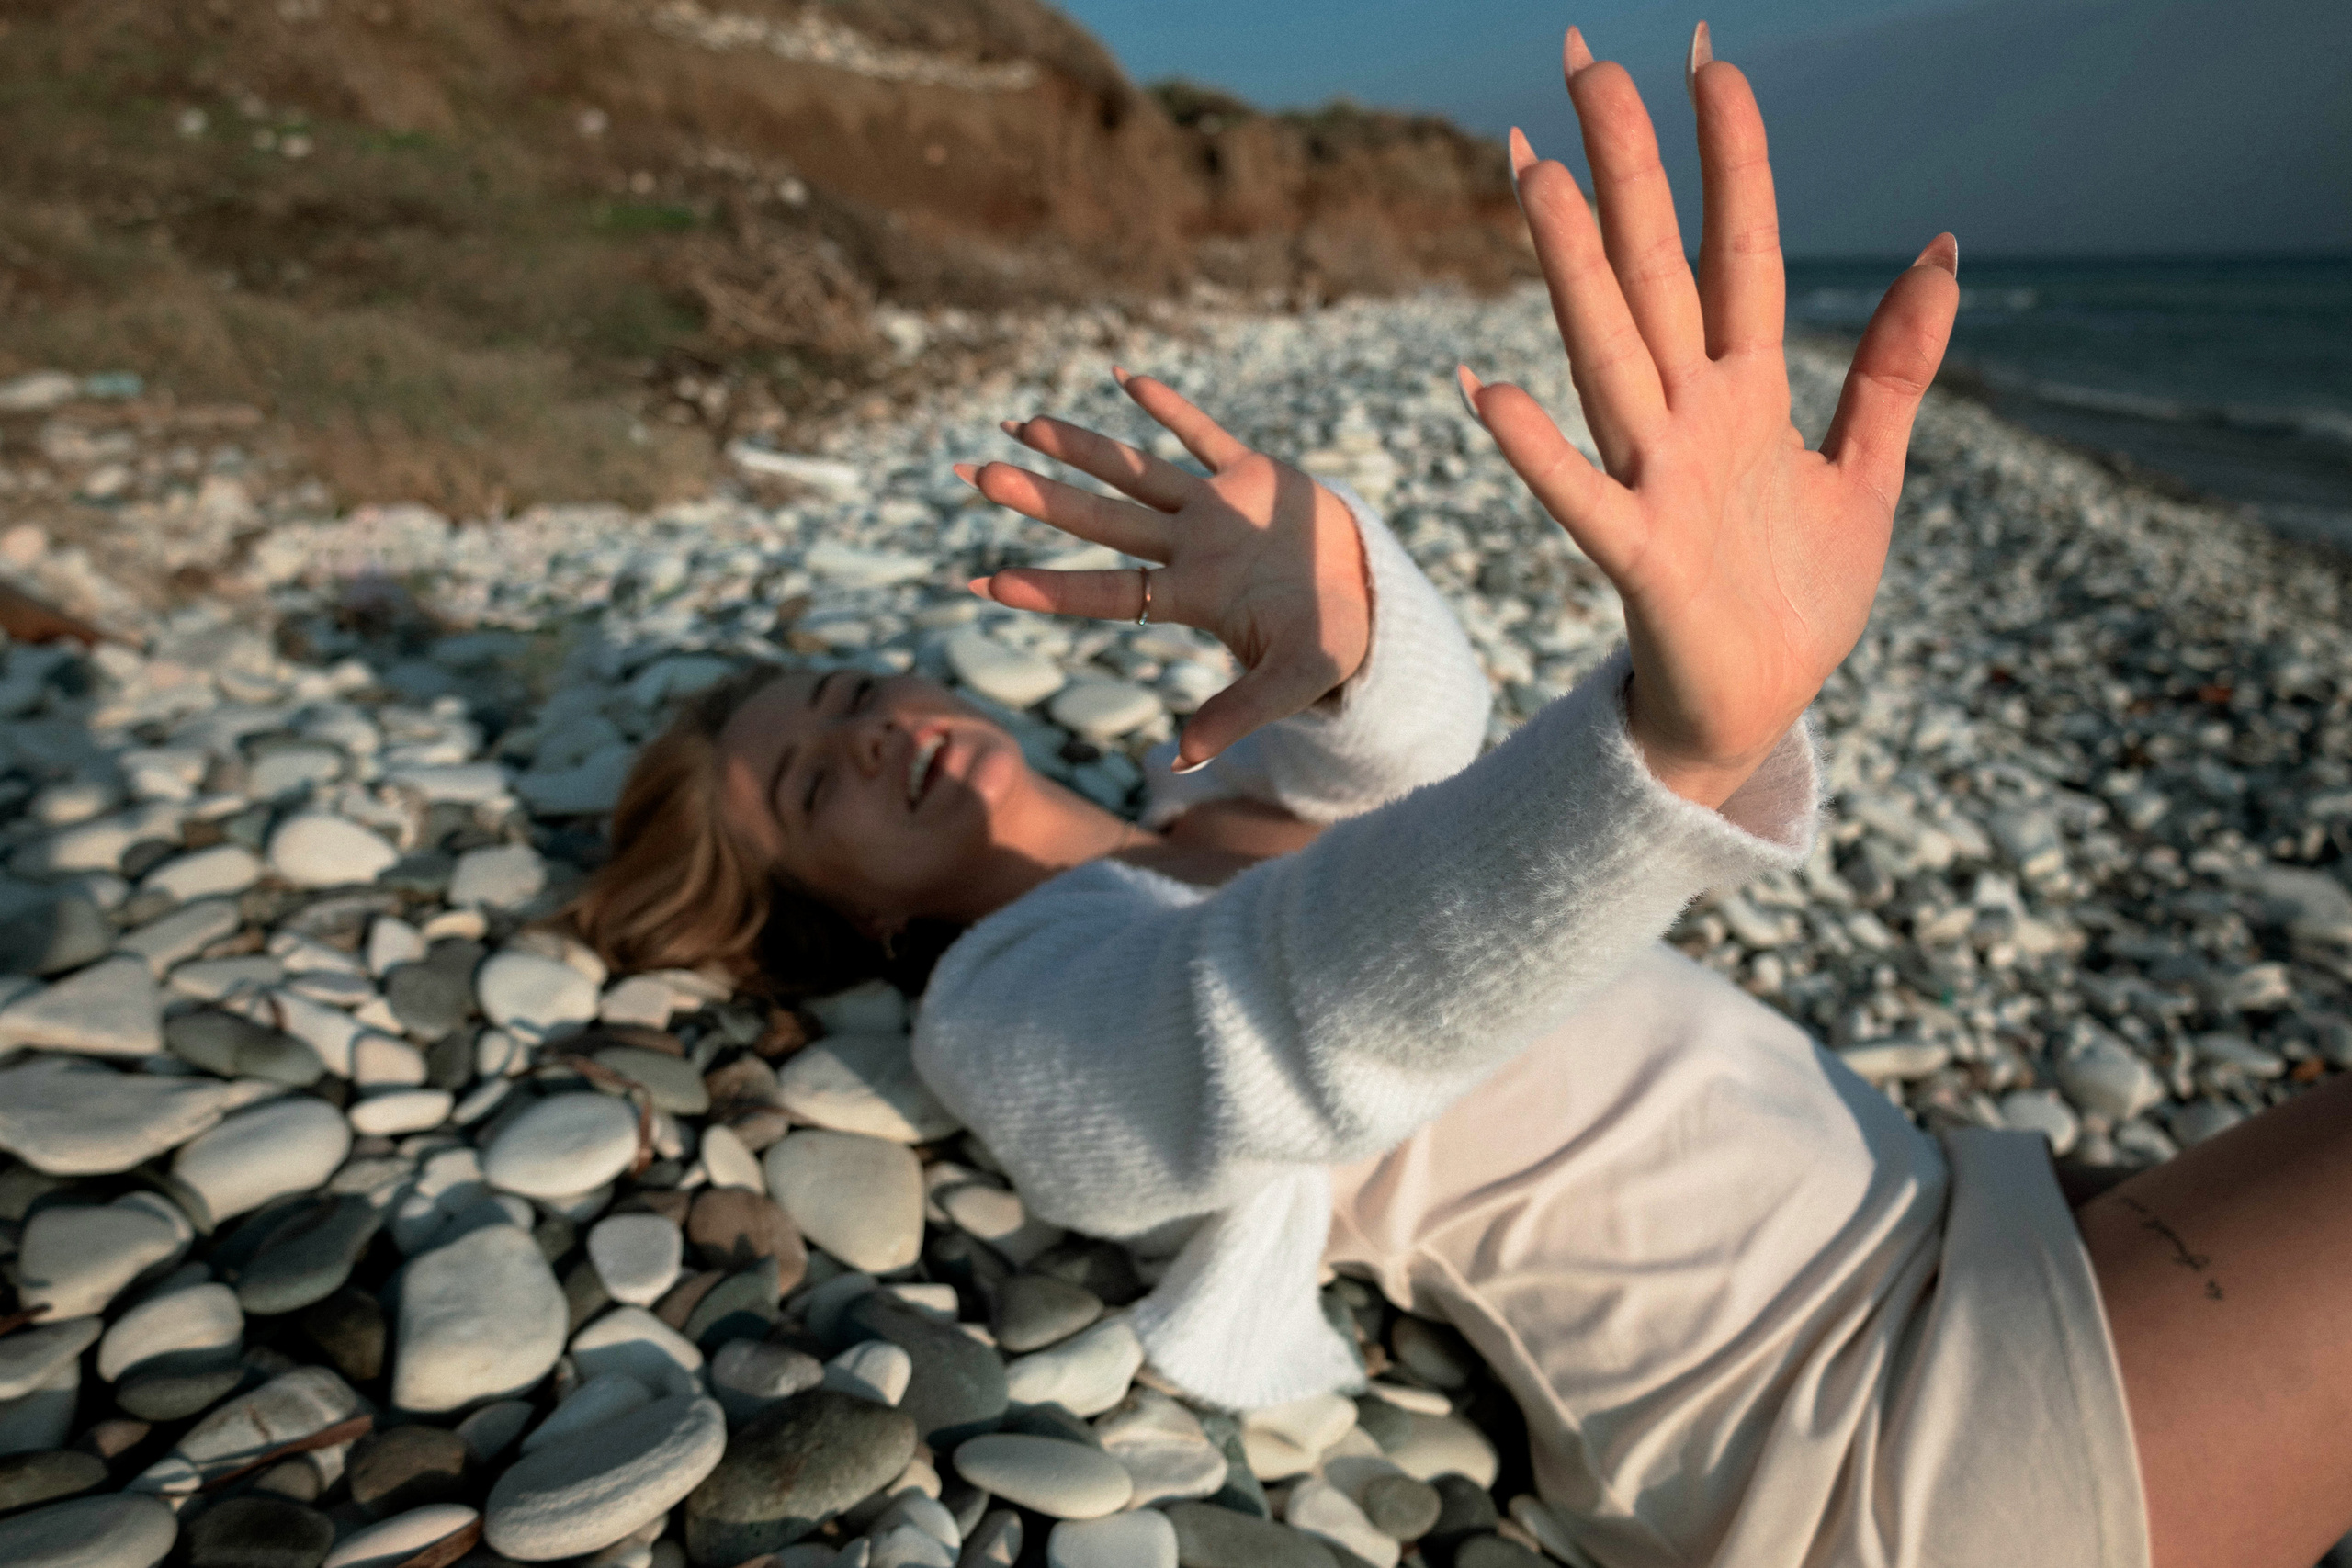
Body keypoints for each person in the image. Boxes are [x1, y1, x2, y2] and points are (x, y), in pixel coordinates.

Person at [570, 27, 2352, 1568]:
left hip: (1970, 1213)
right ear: (844, 906)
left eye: (860, 690)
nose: (876, 734)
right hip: (1876, 1429)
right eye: (815, 777)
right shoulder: (1011, 1006)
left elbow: (1423, 761)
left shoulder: (1192, 816)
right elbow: (1284, 1009)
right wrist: (1673, 748)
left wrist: (1342, 603)